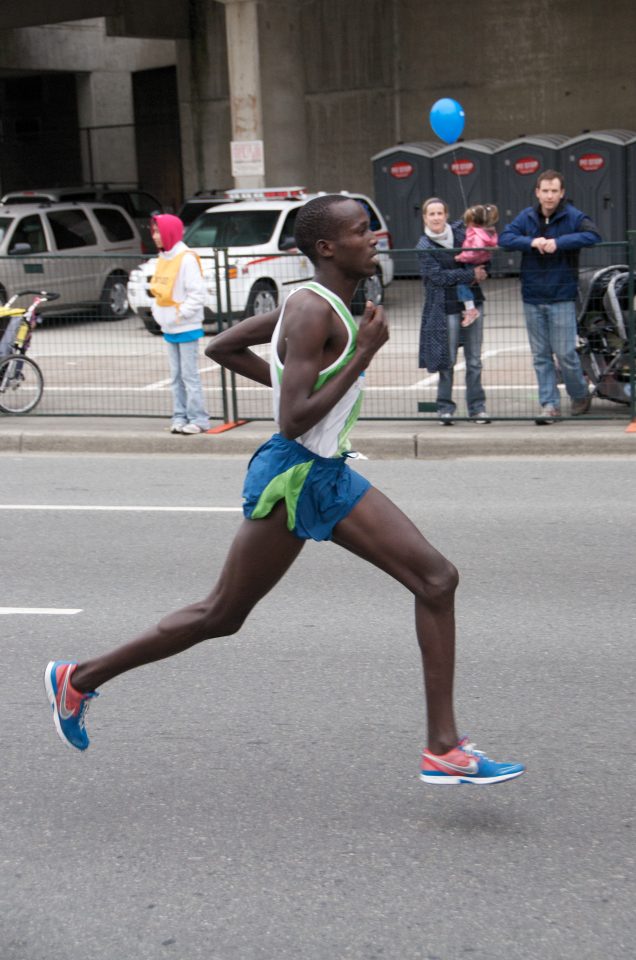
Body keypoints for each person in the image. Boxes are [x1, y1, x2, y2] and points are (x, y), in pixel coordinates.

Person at [44, 195, 524, 787]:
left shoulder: (321, 303)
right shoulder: (309, 312)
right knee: (220, 613)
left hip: (327, 472)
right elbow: (294, 418)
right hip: (296, 476)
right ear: (327, 247)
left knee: (436, 579)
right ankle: (78, 677)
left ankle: (443, 747)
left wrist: (310, 370)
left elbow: (224, 349)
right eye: (359, 230)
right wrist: (361, 355)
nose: (374, 235)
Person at [498, 169, 601, 425]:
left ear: (562, 193)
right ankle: (549, 405)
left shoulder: (572, 215)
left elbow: (593, 236)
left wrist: (559, 242)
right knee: (541, 355)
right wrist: (533, 242)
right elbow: (505, 238)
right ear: (537, 192)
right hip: (532, 295)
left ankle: (579, 395)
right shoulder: (527, 216)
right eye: (545, 191)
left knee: (565, 353)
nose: (549, 196)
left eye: (554, 191)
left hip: (562, 295)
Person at [416, 197, 490, 425]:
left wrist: (484, 269)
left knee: (474, 360)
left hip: (473, 304)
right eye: (432, 214)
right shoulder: (423, 246)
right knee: (447, 361)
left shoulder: (462, 234)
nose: (436, 217)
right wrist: (469, 275)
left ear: (447, 215)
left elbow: (483, 256)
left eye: (440, 213)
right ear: (425, 218)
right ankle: (444, 407)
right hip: (444, 308)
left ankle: (477, 408)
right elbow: (437, 277)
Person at [150, 213, 210, 435]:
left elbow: (197, 293)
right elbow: (159, 292)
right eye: (154, 231)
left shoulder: (186, 258)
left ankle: (198, 419)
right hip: (170, 326)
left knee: (189, 375)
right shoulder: (164, 257)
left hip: (185, 326)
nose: (155, 236)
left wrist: (180, 315)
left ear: (169, 232)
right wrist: (161, 315)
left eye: (158, 231)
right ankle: (179, 416)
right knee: (176, 376)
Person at [454, 203, 499, 327]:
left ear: (474, 222)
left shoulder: (476, 236)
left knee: (462, 284)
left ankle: (470, 309)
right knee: (467, 284)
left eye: (468, 222)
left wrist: (460, 257)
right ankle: (469, 308)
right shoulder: (489, 233)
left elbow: (472, 252)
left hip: (471, 263)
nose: (466, 224)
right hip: (482, 262)